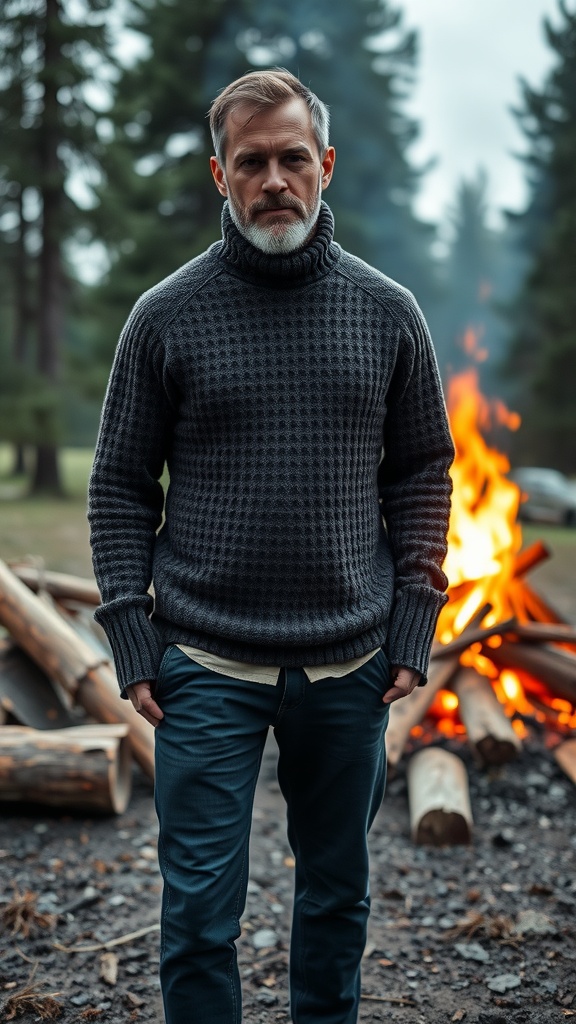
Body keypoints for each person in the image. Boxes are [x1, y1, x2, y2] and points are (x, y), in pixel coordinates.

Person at [88, 68, 454, 1024]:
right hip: (202, 665)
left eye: (294, 158)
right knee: (199, 917)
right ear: (221, 175)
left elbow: (423, 470)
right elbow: (119, 486)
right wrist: (133, 640)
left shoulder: (388, 312)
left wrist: (413, 626)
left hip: (352, 666)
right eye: (252, 163)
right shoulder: (165, 315)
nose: (275, 180)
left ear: (325, 164)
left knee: (336, 899)